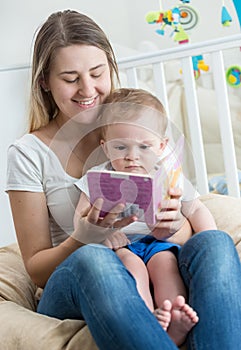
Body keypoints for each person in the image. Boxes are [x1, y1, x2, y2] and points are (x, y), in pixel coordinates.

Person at [5, 9, 241, 350]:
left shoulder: (137, 130)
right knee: (95, 258)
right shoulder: (28, 153)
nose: (88, 89)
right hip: (77, 277)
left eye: (97, 73)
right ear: (44, 82)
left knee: (216, 243)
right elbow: (37, 270)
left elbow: (184, 219)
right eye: (70, 78)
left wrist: (173, 225)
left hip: (155, 257)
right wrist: (82, 238)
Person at [74, 87, 221, 345]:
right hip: (123, 246)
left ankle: (174, 315)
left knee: (165, 265)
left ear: (161, 146)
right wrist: (99, 234)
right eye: (120, 147)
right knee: (134, 269)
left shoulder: (167, 175)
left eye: (144, 146)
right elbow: (81, 217)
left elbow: (196, 208)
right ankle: (146, 321)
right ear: (105, 148)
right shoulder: (97, 177)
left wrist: (209, 237)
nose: (132, 156)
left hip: (158, 243)